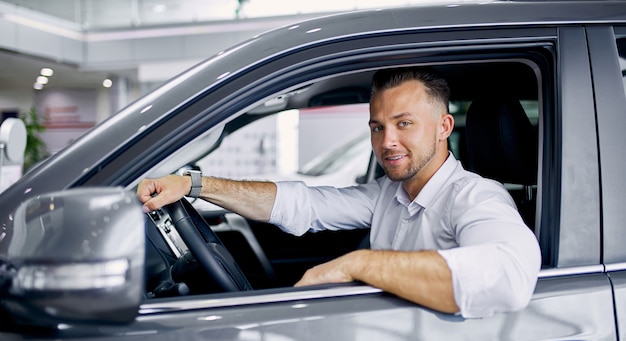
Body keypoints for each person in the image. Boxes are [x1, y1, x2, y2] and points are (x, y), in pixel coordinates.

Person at [137, 66, 541, 319]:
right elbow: (303, 203)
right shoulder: (388, 193)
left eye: (404, 124)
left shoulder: (476, 197)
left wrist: (357, 264)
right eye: (378, 127)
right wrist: (194, 184)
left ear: (444, 128)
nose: (387, 142)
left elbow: (508, 277)